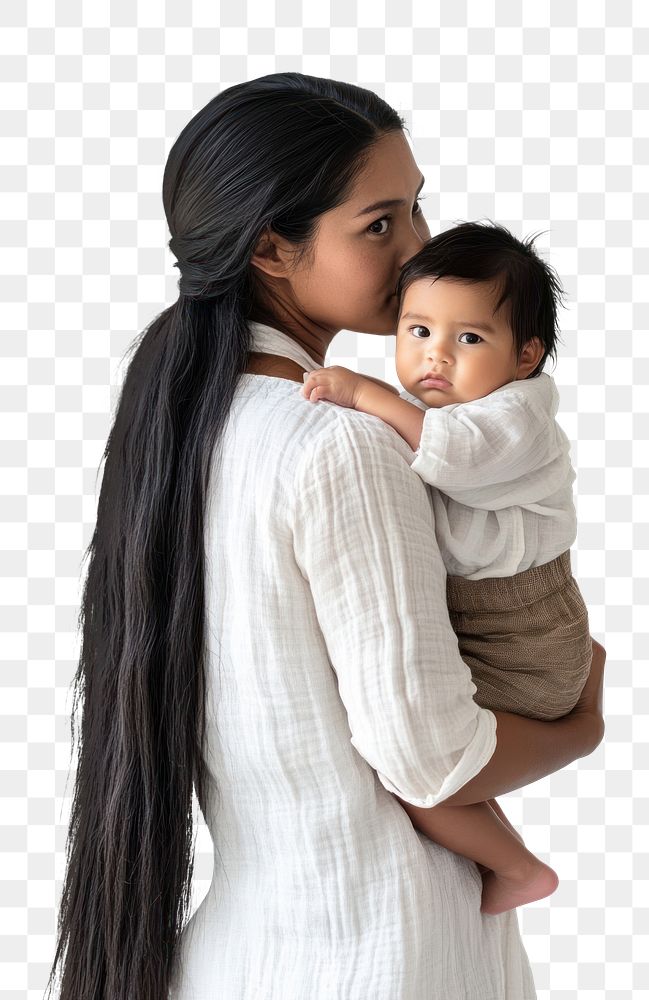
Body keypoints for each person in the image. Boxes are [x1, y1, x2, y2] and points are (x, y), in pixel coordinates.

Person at [45, 73, 606, 1000]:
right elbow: (431, 757)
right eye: (380, 224)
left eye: (416, 208)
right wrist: (580, 727)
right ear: (272, 247)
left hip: (249, 949)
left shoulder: (187, 425)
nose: (421, 246)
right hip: (384, 950)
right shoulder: (340, 443)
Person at [300, 219, 593, 917]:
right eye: (417, 331)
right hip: (503, 626)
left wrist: (367, 395)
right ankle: (512, 852)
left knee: (417, 772)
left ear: (525, 356)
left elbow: (454, 455)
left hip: (519, 638)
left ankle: (518, 869)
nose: (435, 357)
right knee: (439, 761)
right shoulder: (451, 409)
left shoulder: (515, 415)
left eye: (468, 339)